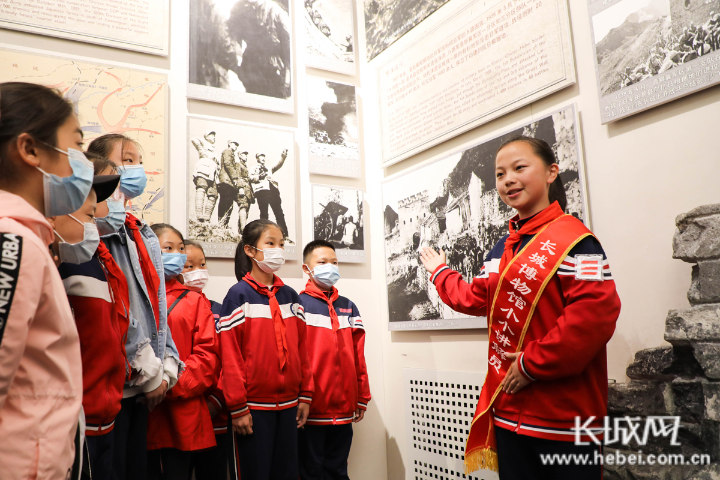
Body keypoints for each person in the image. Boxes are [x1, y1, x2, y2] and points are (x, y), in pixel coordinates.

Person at [419, 136, 621, 479]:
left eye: (519, 168)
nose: (508, 179)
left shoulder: (579, 242)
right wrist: (440, 271)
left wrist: (531, 364)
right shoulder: (502, 248)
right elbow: (475, 298)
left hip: (563, 417)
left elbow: (595, 316)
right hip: (509, 412)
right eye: (500, 174)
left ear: (551, 172)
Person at [0, 82, 89, 480]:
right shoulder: (13, 242)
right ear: (30, 149)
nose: (82, 165)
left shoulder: (28, 238)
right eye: (77, 147)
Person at [87, 133, 182, 480]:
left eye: (138, 161)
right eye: (126, 160)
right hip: (114, 382)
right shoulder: (88, 231)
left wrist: (166, 365)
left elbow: (158, 305)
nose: (135, 168)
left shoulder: (142, 233)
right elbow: (116, 309)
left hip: (147, 386)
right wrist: (149, 370)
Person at [217, 219, 313, 480]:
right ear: (250, 250)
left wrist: (305, 394)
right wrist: (238, 407)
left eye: (281, 244)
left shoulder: (292, 297)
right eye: (270, 243)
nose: (277, 250)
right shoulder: (238, 295)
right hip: (252, 409)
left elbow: (303, 349)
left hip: (290, 406)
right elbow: (230, 355)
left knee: (287, 473)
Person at [54, 162, 126, 480]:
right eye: (88, 214)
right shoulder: (53, 263)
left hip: (106, 416)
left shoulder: (98, 261)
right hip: (72, 420)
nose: (95, 218)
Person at [146, 224, 219, 480]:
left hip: (181, 411)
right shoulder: (134, 293)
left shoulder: (195, 300)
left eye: (180, 249)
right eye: (169, 248)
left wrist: (168, 385)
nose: (177, 254)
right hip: (139, 410)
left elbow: (208, 355)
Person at [298, 240, 371, 480]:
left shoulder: (349, 307)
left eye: (334, 262)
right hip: (312, 410)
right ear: (306, 269)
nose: (330, 266)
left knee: (338, 471)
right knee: (310, 472)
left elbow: (358, 356)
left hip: (343, 410)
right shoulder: (298, 306)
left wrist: (362, 396)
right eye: (322, 262)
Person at [182, 240, 237, 480]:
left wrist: (217, 400)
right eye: (189, 266)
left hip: (217, 419)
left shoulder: (220, 310)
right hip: (179, 417)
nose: (198, 271)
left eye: (202, 264)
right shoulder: (164, 311)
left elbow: (232, 361)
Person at [251, 151, 290, 240]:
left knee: (279, 213)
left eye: (264, 156)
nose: (263, 158)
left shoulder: (269, 168)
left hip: (273, 191)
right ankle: (264, 235)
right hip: (262, 191)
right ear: (257, 159)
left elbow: (278, 164)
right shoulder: (254, 168)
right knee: (264, 213)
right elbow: (250, 177)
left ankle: (284, 235)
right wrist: (259, 177)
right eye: (261, 156)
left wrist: (283, 156)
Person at [191, 131, 218, 223]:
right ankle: (199, 216)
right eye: (212, 135)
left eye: (214, 136)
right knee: (201, 189)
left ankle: (206, 217)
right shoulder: (204, 143)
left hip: (213, 173)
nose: (214, 137)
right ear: (206, 137)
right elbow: (194, 139)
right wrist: (201, 150)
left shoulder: (214, 149)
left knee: (213, 194)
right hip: (203, 169)